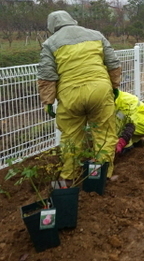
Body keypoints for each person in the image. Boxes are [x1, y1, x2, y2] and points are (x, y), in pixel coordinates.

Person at [37, 10, 122, 180]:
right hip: (100, 90)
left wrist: (48, 101)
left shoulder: (50, 43)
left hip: (70, 95)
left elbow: (47, 76)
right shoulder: (96, 35)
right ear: (72, 20)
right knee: (104, 133)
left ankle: (69, 178)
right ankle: (101, 176)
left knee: (71, 137)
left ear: (52, 26)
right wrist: (114, 86)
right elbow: (112, 63)